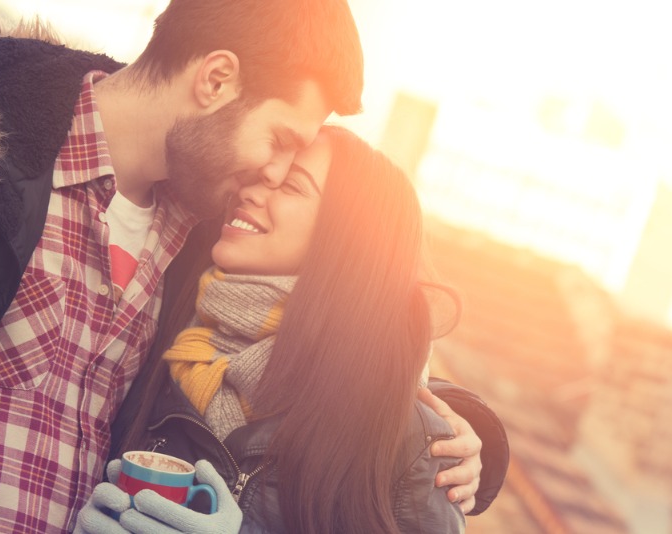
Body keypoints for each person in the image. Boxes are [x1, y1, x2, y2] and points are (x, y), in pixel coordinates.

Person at [0, 4, 506, 533]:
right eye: (280, 141)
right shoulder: (0, 159)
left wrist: (449, 427)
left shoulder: (199, 226)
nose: (271, 174)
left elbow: (350, 319)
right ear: (216, 79)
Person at [76, 124, 487, 533]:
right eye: (259, 175)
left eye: (291, 186)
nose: (252, 191)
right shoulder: (163, 340)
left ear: (348, 237)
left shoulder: (407, 440)